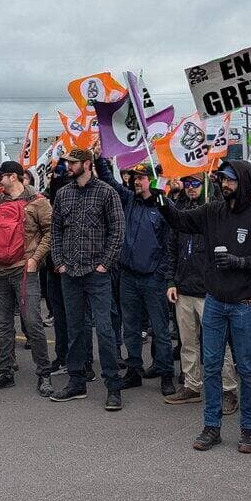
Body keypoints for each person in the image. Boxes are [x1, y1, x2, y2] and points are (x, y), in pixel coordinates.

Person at [158, 159, 251, 455]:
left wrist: (240, 262)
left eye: (231, 180)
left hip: (244, 305)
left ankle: (248, 430)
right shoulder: (212, 211)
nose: (225, 185)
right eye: (223, 180)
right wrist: (160, 198)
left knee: (248, 370)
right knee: (210, 367)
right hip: (214, 302)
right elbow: (179, 220)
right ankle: (211, 426)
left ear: (243, 182)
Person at [48, 146, 125, 410]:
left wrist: (105, 264)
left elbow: (117, 231)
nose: (68, 166)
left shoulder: (107, 192)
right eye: (67, 162)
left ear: (87, 164)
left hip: (96, 274)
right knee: (75, 330)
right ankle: (76, 381)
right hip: (69, 272)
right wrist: (58, 262)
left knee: (104, 330)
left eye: (73, 163)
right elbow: (55, 231)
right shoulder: (62, 194)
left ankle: (113, 386)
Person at [0, 160, 54, 396]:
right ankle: (6, 371)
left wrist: (36, 259)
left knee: (32, 322)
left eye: (2, 177)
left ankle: (44, 374)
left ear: (14, 177)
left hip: (23, 269)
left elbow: (50, 231)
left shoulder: (38, 202)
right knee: (4, 325)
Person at [99, 160, 177, 397]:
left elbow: (169, 245)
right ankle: (134, 370)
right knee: (130, 328)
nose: (136, 181)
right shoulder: (128, 199)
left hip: (154, 279)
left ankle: (166, 374)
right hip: (128, 277)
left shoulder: (164, 204)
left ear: (151, 180)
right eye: (134, 177)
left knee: (160, 330)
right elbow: (110, 181)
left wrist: (162, 273)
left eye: (141, 178)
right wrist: (100, 158)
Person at [163, 174, 239, 411]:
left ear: (205, 184)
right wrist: (171, 281)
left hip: (209, 291)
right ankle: (192, 385)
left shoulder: (216, 211)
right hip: (184, 287)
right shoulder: (181, 212)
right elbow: (172, 248)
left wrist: (214, 185)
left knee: (218, 344)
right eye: (186, 183)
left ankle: (229, 390)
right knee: (187, 342)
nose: (190, 187)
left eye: (196, 183)